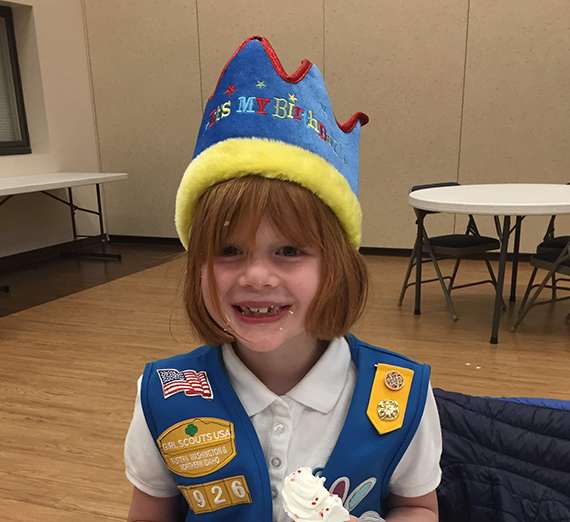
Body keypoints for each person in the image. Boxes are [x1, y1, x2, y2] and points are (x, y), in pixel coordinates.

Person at [124, 36, 442, 522]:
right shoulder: (165, 396)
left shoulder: (399, 394)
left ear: (337, 262)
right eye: (228, 251)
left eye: (289, 250)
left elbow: (416, 505)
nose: (256, 275)